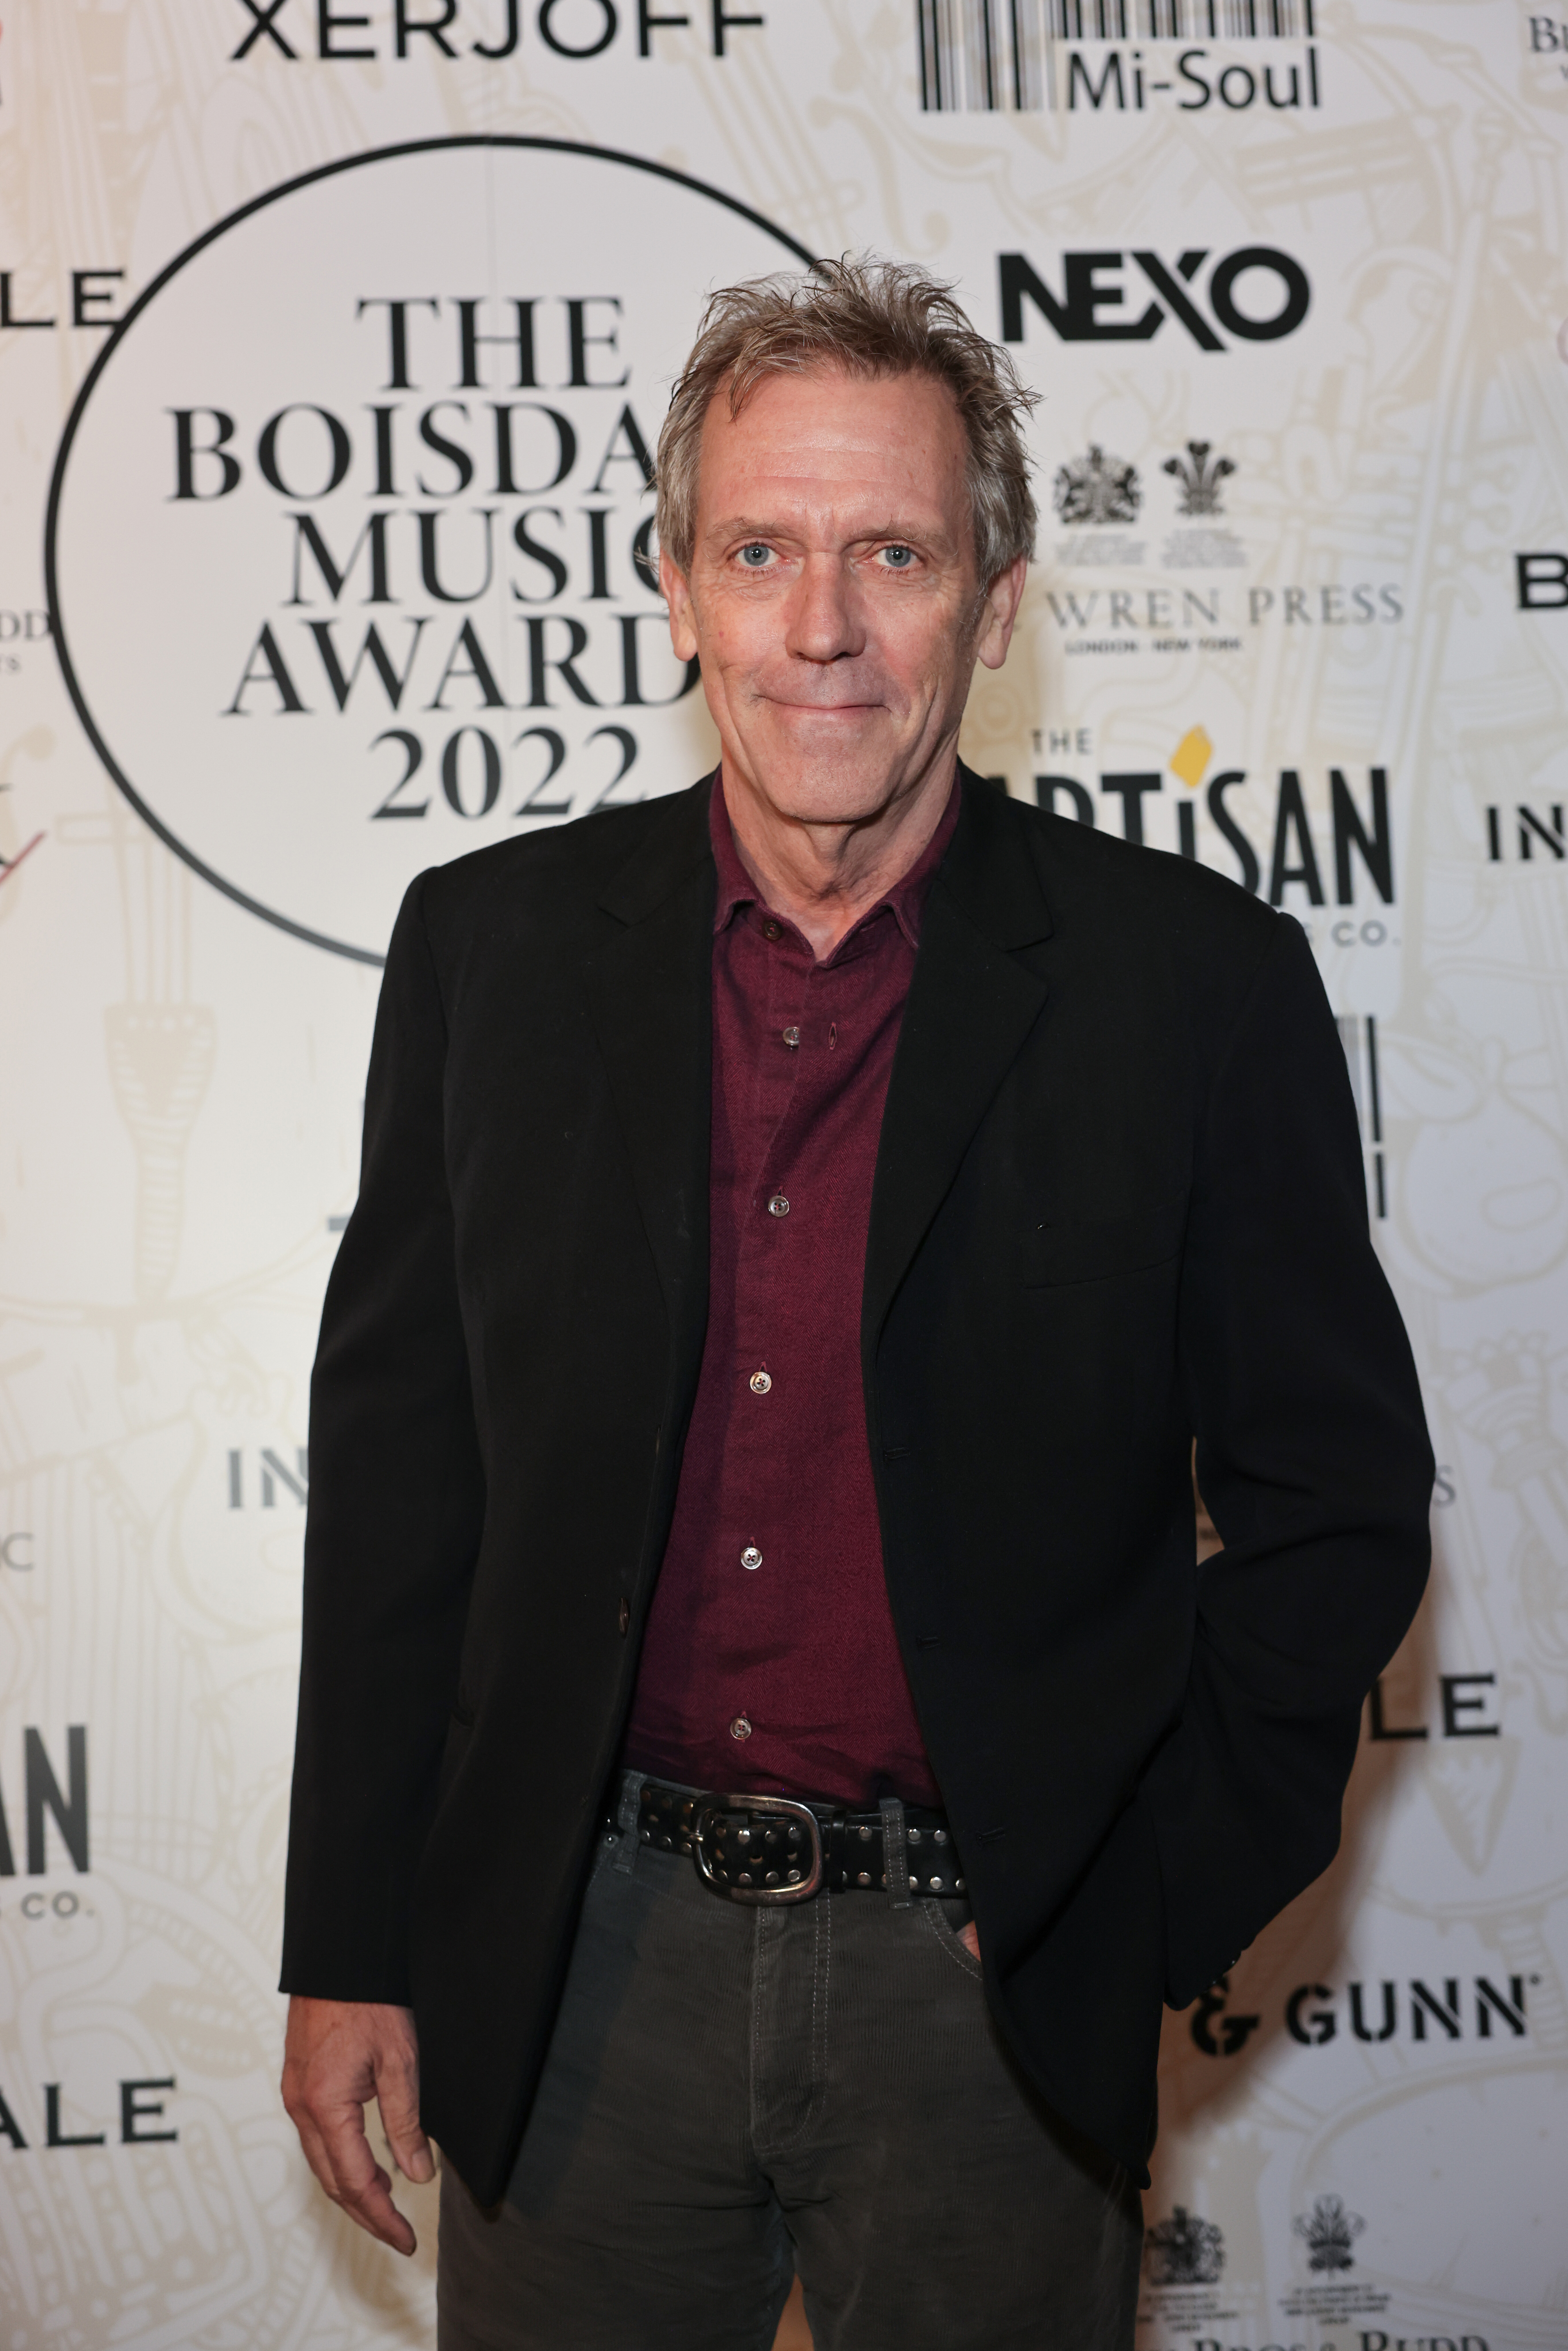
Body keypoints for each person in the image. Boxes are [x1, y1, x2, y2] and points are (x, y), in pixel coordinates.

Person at [279, 260, 1432, 2349]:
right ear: (678, 589)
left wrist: (1140, 1896)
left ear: (990, 611)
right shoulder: (492, 952)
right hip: (578, 1972)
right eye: (762, 552)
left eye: (892, 554)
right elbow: (398, 1494)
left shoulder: (1197, 988)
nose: (822, 628)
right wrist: (352, 1938)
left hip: (984, 2003)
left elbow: (1336, 1508)